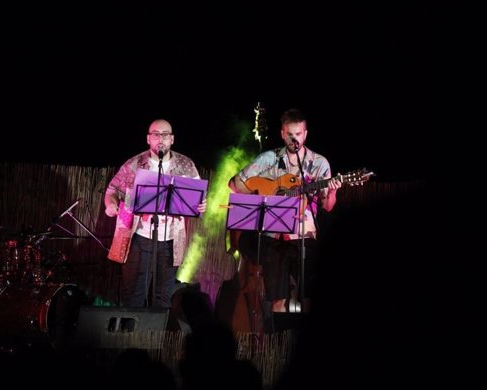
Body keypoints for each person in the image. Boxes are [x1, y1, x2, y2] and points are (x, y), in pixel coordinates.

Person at [229, 108, 341, 313]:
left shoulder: (319, 164)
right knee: (277, 298)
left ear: (305, 134)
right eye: (289, 134)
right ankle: (278, 337)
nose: (294, 139)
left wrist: (332, 192)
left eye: (298, 134)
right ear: (282, 134)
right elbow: (235, 184)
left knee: (309, 296)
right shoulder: (269, 159)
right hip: (274, 237)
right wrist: (260, 193)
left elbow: (327, 205)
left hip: (305, 236)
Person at [104, 119, 206, 309]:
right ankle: (132, 336)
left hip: (170, 240)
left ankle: (157, 337)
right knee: (133, 295)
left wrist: (200, 206)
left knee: (163, 297)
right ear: (148, 139)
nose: (161, 138)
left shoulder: (186, 165)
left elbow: (197, 198)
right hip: (139, 237)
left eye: (165, 134)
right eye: (156, 134)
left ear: (172, 139)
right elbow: (112, 190)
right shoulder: (134, 164)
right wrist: (111, 204)